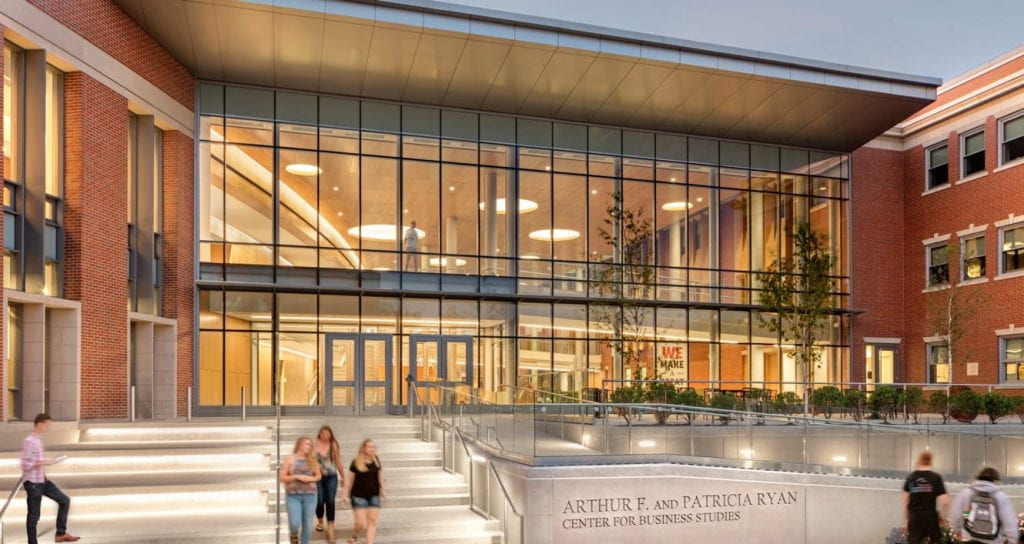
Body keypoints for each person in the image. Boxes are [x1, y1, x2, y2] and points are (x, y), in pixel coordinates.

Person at [21, 413, 79, 543]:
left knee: (64, 500)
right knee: (34, 516)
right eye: (47, 424)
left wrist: (43, 468)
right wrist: (43, 462)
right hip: (33, 483)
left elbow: (36, 461)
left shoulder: (38, 440)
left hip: (42, 480)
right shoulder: (29, 441)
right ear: (40, 423)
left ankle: (60, 533)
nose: (48, 427)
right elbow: (24, 464)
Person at [950, 467, 1017, 544]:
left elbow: (956, 514)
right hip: (993, 540)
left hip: (969, 538)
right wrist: (1012, 540)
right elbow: (1008, 521)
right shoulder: (1000, 496)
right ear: (995, 480)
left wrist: (957, 530)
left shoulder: (966, 493)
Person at [341, 439, 385, 544]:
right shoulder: (356, 461)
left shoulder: (376, 460)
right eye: (369, 447)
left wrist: (383, 488)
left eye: (373, 447)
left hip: (374, 495)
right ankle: (355, 535)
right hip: (358, 496)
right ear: (364, 448)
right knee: (360, 524)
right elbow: (349, 479)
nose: (372, 449)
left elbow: (380, 474)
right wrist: (344, 494)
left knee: (372, 522)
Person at [279, 437, 322, 544]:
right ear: (299, 444)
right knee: (294, 523)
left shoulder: (312, 459)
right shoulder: (290, 458)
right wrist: (296, 477)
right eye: (306, 444)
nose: (309, 446)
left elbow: (318, 476)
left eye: (310, 445)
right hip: (293, 496)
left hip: (310, 496)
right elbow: (282, 477)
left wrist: (309, 479)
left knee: (307, 524)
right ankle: (294, 534)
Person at [902, 451, 948, 544]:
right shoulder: (936, 478)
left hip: (915, 519)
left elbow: (905, 502)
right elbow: (945, 502)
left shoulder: (911, 477)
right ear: (931, 461)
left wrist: (905, 521)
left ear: (919, 461)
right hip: (931, 518)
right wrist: (943, 517)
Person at [314, 425, 343, 541]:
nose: (326, 435)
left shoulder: (333, 445)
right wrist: (316, 467)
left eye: (328, 433)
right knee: (320, 500)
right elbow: (310, 460)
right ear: (320, 434)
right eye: (323, 433)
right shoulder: (315, 444)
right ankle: (320, 520)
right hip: (318, 477)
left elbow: (338, 461)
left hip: (332, 476)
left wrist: (344, 477)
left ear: (330, 434)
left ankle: (330, 530)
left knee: (330, 501)